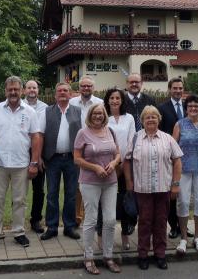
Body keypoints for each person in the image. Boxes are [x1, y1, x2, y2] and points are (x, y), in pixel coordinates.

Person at [0, 76, 42, 250]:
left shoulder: (29, 112)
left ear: (21, 91)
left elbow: (36, 138)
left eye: (16, 89)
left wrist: (34, 162)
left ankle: (19, 232)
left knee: (20, 201)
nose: (13, 92)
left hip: (22, 164)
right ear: (5, 91)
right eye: (10, 89)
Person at [124, 106, 183, 271]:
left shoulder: (167, 138)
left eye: (154, 117)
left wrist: (176, 184)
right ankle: (142, 254)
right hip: (142, 189)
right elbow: (127, 161)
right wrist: (129, 182)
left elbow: (177, 161)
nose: (150, 120)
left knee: (161, 223)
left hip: (163, 188)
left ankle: (160, 254)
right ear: (142, 121)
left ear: (159, 119)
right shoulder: (135, 138)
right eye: (147, 117)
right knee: (144, 222)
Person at [74, 104, 123, 274]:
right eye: (95, 113)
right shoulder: (83, 133)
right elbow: (77, 159)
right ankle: (88, 257)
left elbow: (118, 154)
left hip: (110, 181)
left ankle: (108, 256)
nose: (98, 116)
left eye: (100, 114)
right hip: (89, 182)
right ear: (90, 115)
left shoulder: (110, 131)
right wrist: (95, 167)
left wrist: (114, 163)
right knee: (91, 219)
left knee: (110, 220)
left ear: (104, 115)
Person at [172, 95, 198, 256]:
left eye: (196, 106)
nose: (193, 109)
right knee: (182, 202)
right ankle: (183, 238)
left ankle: (197, 237)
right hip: (183, 170)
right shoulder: (179, 124)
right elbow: (173, 147)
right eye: (190, 106)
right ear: (186, 108)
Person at [39, 82, 83, 240]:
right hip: (52, 159)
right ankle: (51, 227)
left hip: (72, 159)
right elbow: (40, 135)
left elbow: (83, 136)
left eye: (65, 90)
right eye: (59, 91)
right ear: (55, 94)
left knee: (71, 194)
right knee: (52, 194)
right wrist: (38, 157)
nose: (62, 93)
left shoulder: (78, 112)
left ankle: (69, 227)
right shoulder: (46, 112)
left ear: (70, 94)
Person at [97, 88, 136, 251]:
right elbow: (99, 140)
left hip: (125, 165)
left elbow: (132, 140)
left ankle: (125, 236)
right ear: (107, 100)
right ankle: (101, 236)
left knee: (125, 200)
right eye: (111, 98)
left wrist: (122, 162)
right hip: (106, 166)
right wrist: (113, 164)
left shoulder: (129, 118)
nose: (114, 101)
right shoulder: (102, 117)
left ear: (122, 100)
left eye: (117, 98)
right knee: (104, 202)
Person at [156, 77, 189, 239]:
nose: (178, 91)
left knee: (185, 193)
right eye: (175, 88)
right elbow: (159, 131)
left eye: (180, 88)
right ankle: (173, 226)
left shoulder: (188, 106)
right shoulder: (162, 108)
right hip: (169, 156)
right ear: (169, 89)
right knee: (172, 193)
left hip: (187, 156)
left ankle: (184, 225)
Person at [70, 76, 104, 226]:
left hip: (94, 149)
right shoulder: (72, 103)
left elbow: (103, 124)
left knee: (94, 184)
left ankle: (92, 218)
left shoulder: (100, 103)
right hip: (77, 148)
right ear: (79, 88)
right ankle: (77, 218)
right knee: (78, 185)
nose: (86, 88)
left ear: (93, 88)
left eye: (89, 86)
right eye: (83, 86)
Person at [23, 79, 49, 234]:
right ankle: (18, 221)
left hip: (38, 153)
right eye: (29, 87)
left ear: (38, 90)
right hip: (21, 152)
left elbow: (42, 133)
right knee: (20, 190)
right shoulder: (18, 105)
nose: (32, 90)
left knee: (39, 190)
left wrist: (38, 156)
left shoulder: (45, 108)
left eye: (34, 87)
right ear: (24, 90)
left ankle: (36, 220)